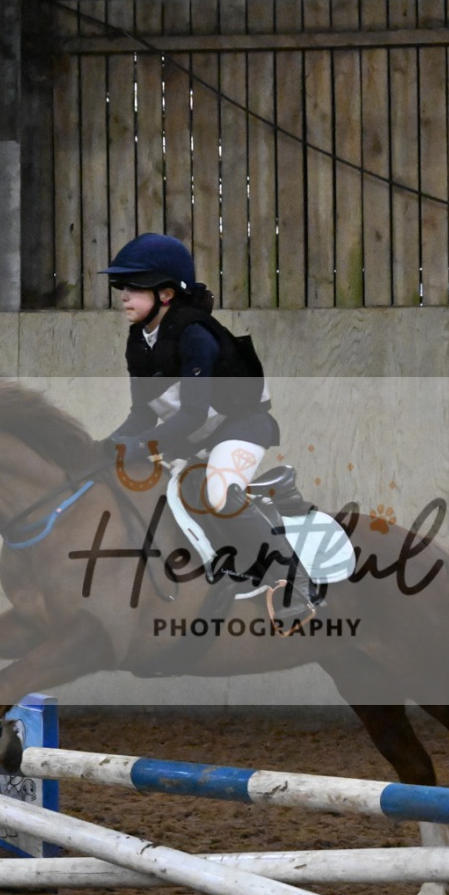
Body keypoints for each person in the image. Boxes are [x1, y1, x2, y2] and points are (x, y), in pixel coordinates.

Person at [100, 232, 318, 622]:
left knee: (218, 493)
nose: (124, 296)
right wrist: (107, 445)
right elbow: (142, 416)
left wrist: (138, 445)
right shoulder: (139, 341)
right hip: (196, 437)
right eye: (123, 288)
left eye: (134, 288)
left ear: (166, 295)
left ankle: (298, 582)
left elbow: (193, 415)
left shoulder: (195, 334)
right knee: (164, 495)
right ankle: (233, 561)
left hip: (242, 426)